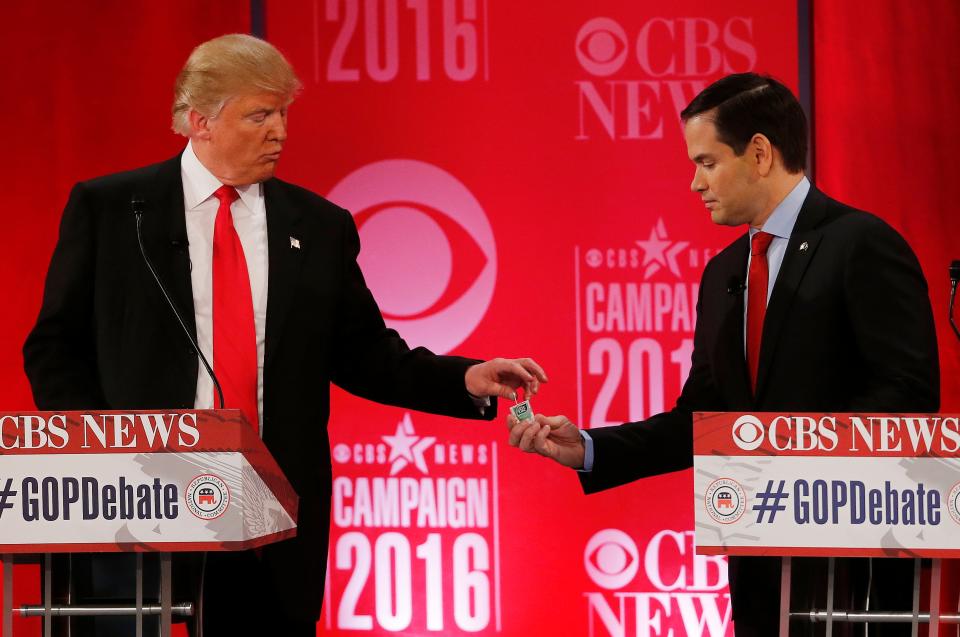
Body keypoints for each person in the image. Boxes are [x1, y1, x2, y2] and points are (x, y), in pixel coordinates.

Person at [23, 34, 547, 637]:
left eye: (283, 114)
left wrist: (464, 377)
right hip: (140, 509)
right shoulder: (112, 210)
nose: (280, 132)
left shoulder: (319, 227)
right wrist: (108, 460)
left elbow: (365, 355)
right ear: (200, 121)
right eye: (259, 115)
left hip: (268, 514)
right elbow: (54, 348)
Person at [507, 73, 939, 636]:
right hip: (760, 571)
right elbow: (705, 419)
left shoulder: (862, 243)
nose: (694, 183)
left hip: (854, 572)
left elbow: (908, 393)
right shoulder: (723, 274)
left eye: (706, 162)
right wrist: (590, 448)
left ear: (759, 153)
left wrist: (781, 454)